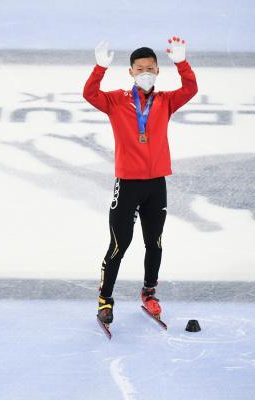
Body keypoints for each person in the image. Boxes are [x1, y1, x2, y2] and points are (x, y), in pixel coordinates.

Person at [83, 37, 198, 325]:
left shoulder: (166, 101)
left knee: (154, 243)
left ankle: (149, 293)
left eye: (151, 67)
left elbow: (190, 88)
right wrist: (99, 68)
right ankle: (104, 300)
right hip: (128, 184)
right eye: (140, 68)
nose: (145, 71)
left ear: (158, 71)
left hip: (156, 184)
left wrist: (182, 63)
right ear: (131, 72)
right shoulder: (115, 101)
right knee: (119, 245)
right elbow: (89, 94)